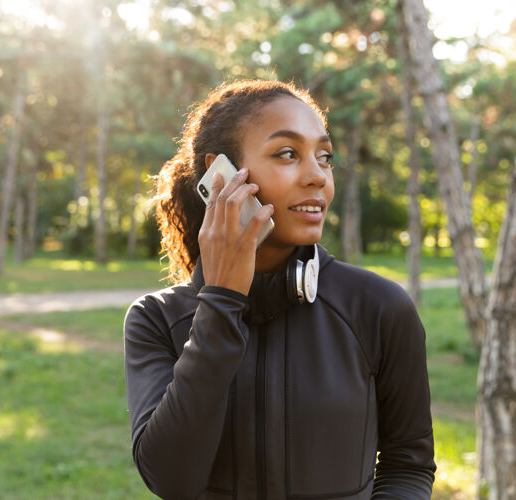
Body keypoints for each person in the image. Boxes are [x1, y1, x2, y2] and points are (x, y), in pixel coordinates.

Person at [123, 79, 436, 500]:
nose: (317, 177)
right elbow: (172, 481)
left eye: (324, 157)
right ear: (221, 173)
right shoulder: (156, 319)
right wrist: (220, 304)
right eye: (287, 153)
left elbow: (408, 466)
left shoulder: (378, 307)